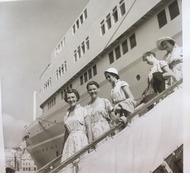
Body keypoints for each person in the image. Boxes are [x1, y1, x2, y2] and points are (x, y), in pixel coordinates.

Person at [60, 89, 92, 173]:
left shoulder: (83, 110)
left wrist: (90, 144)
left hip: (81, 140)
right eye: (69, 98)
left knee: (82, 165)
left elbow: (89, 127)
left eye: (73, 97)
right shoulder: (66, 115)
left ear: (77, 97)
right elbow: (66, 133)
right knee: (69, 167)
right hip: (69, 143)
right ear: (66, 100)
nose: (71, 100)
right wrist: (63, 148)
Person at [86, 81, 114, 147]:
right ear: (88, 92)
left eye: (94, 89)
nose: (92, 91)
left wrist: (120, 118)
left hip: (105, 130)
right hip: (94, 134)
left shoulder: (104, 101)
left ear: (98, 89)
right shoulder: (87, 107)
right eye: (90, 90)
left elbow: (112, 116)